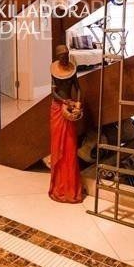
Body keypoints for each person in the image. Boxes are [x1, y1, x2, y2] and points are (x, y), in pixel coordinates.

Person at [48, 44, 84, 203]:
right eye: (63, 55)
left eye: (67, 54)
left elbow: (78, 88)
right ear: (58, 56)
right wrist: (64, 101)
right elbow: (53, 92)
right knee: (57, 145)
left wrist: (77, 103)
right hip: (58, 109)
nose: (66, 57)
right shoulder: (54, 70)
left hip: (69, 108)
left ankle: (71, 188)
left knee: (69, 146)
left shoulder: (72, 70)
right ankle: (59, 186)